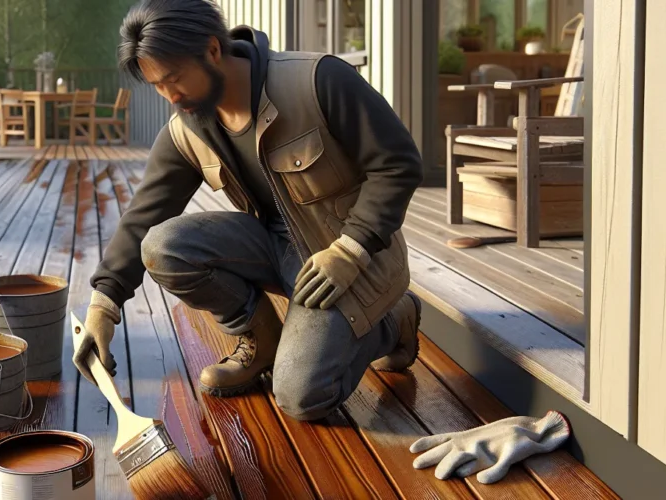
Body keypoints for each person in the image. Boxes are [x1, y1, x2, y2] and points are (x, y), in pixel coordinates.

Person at [73, 0, 424, 422]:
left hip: (350, 260)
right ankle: (261, 338)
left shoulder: (317, 81)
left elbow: (398, 164)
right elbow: (143, 216)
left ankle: (395, 319)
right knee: (162, 245)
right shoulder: (189, 127)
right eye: (157, 86)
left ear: (213, 50)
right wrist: (103, 306)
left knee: (301, 397)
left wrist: (350, 250)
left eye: (175, 78)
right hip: (278, 249)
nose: (171, 96)